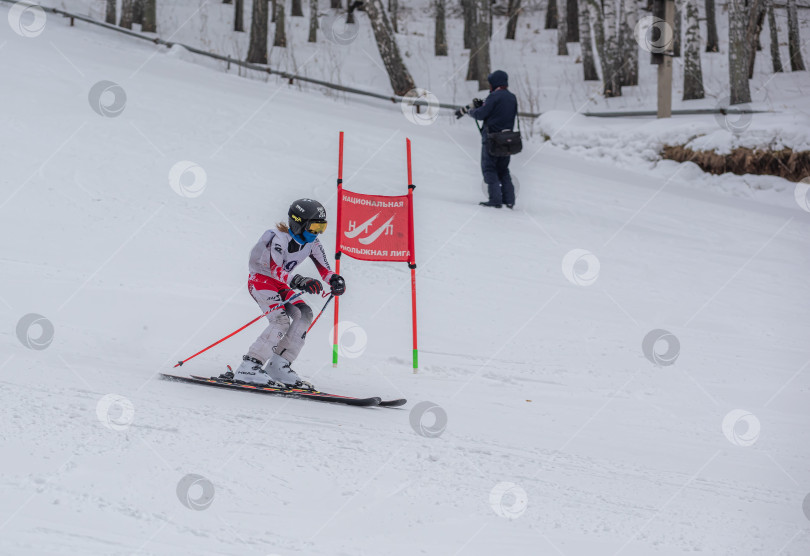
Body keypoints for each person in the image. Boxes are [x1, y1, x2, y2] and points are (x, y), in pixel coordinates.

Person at [222, 198, 346, 389]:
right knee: (280, 320)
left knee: (304, 314)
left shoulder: (312, 243)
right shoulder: (277, 237)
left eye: (322, 227)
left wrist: (334, 279)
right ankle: (249, 366)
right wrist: (299, 280)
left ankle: (278, 364)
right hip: (261, 281)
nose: (317, 232)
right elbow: (274, 269)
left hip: (281, 284)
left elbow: (324, 268)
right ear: (298, 223)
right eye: (313, 226)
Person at [456, 70, 518, 209]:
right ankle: (509, 200)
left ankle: (495, 200)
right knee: (503, 169)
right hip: (507, 140)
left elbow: (481, 115)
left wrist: (471, 111)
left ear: (495, 83)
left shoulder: (494, 97)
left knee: (489, 168)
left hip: (492, 139)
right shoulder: (512, 97)